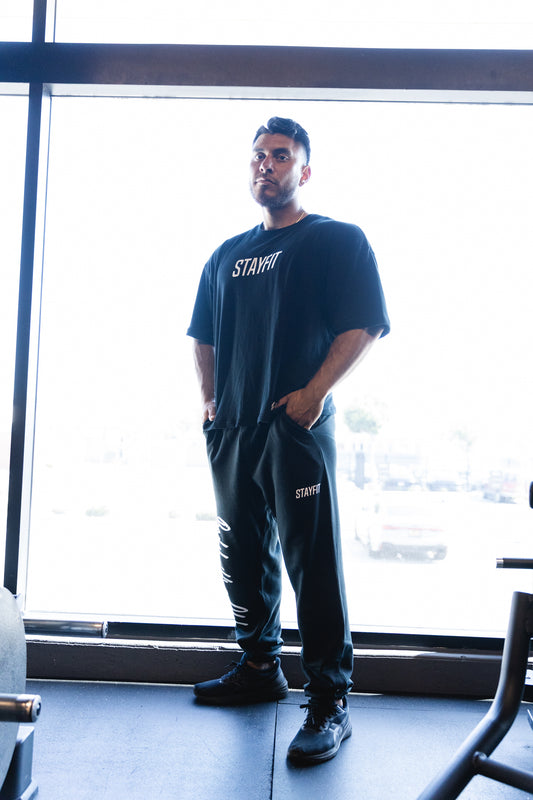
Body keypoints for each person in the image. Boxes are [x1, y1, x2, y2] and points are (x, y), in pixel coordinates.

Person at [187, 116, 390, 765]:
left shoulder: (334, 240)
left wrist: (314, 393)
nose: (265, 165)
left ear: (304, 170)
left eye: (280, 155)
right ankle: (259, 667)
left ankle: (330, 700)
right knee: (242, 556)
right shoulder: (224, 255)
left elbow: (364, 324)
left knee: (312, 564)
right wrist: (211, 401)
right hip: (233, 429)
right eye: (258, 156)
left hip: (294, 427)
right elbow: (202, 335)